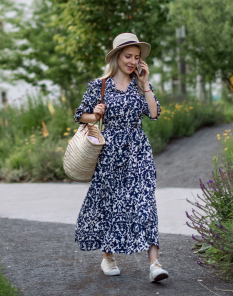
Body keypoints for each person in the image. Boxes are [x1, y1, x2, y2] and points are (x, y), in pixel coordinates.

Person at [73, 32, 169, 283]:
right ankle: (108, 257)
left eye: (137, 57)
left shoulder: (140, 84)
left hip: (138, 150)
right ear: (116, 57)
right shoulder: (99, 85)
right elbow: (80, 115)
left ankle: (155, 264)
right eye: (128, 56)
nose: (132, 61)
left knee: (145, 200)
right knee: (111, 203)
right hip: (110, 151)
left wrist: (146, 84)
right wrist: (94, 114)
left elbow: (154, 113)